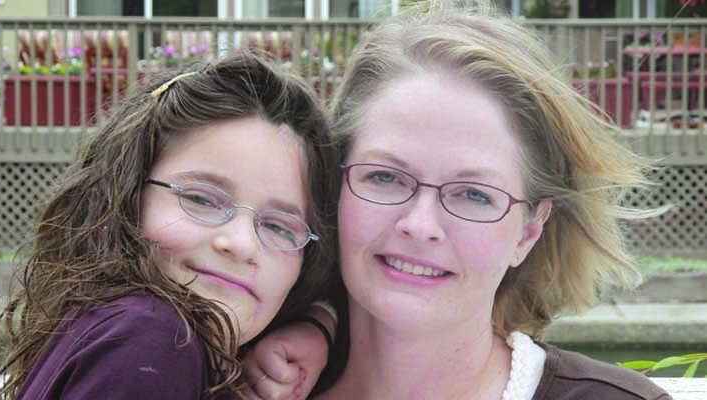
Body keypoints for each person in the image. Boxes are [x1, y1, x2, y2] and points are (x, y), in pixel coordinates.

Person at [244, 1, 673, 399]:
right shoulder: (230, 381)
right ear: (334, 187)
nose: (420, 224)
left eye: (474, 195)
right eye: (385, 177)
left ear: (528, 231)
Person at [0, 52, 340, 399]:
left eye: (279, 227)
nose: (243, 243)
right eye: (201, 199)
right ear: (125, 198)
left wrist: (320, 324)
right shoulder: (153, 343)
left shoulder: (126, 329)